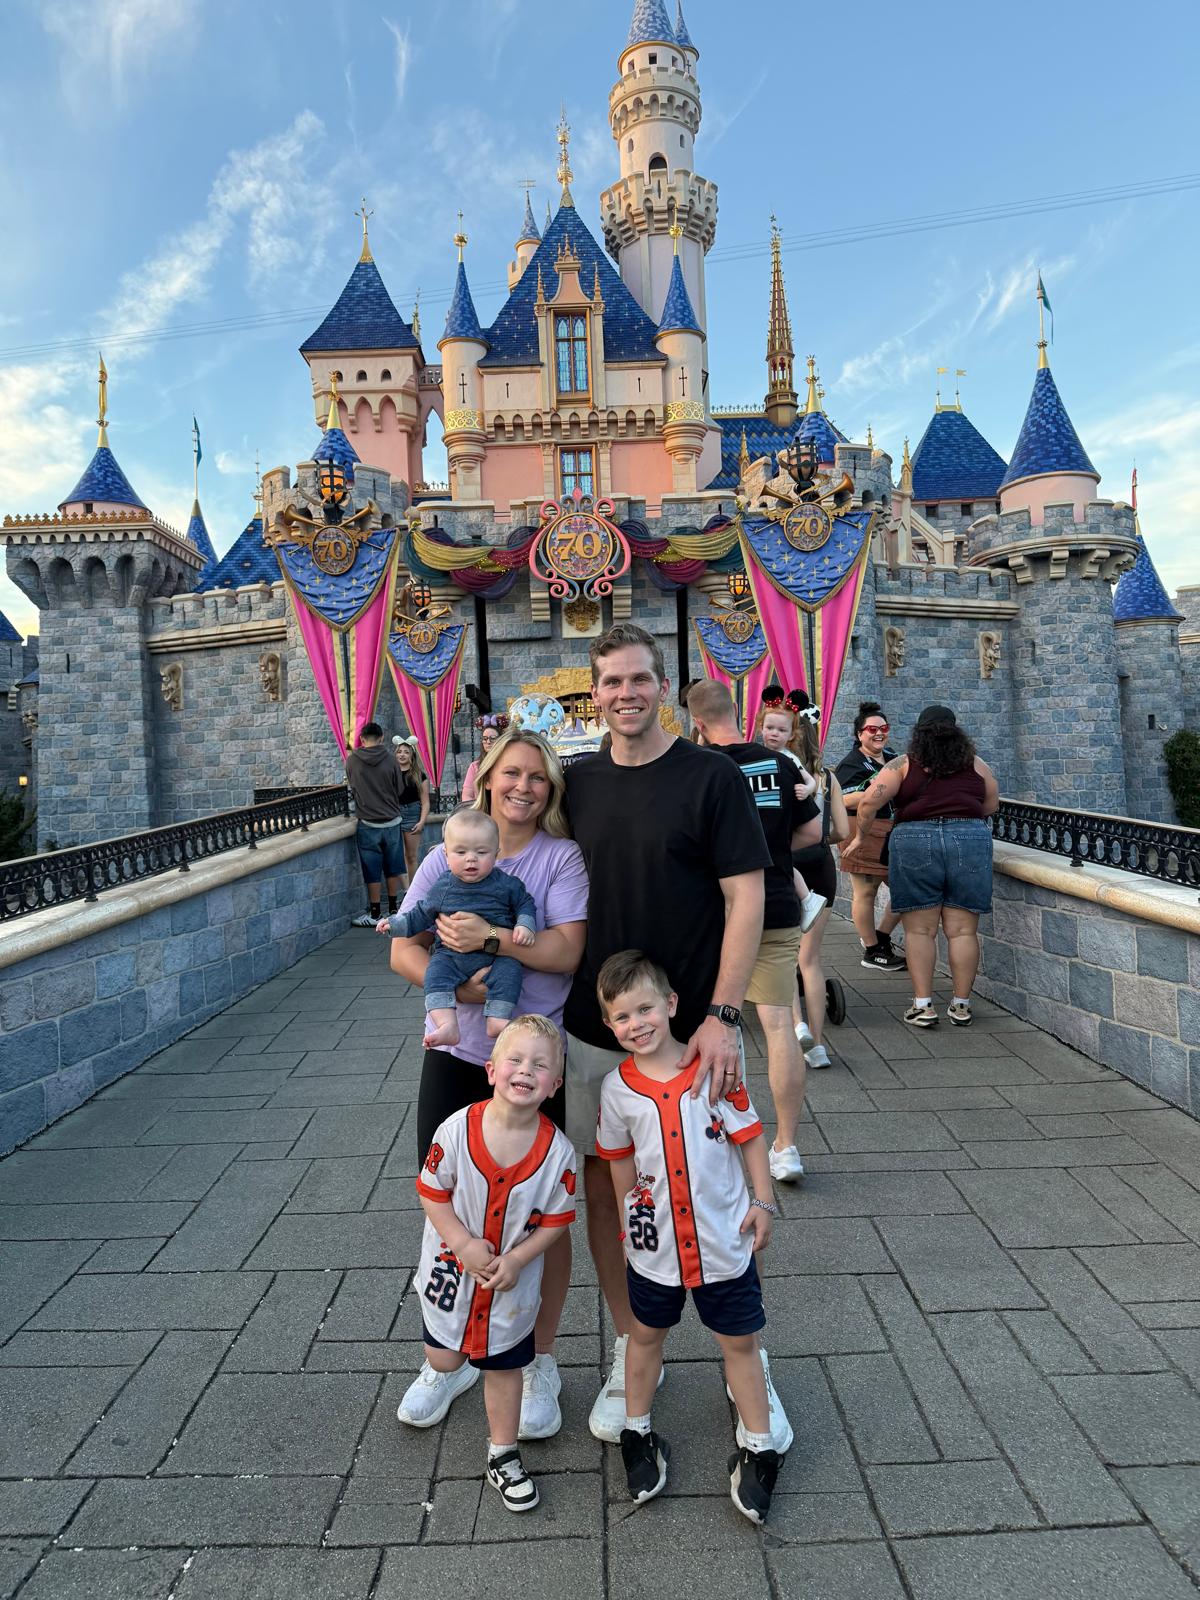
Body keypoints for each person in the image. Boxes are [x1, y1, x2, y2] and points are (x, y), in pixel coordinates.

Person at [562, 623, 790, 1453]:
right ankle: (634, 1346)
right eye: (611, 682)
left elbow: (746, 897)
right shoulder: (576, 783)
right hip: (595, 1030)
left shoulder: (709, 777)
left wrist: (723, 1015)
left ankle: (746, 1359)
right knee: (609, 1191)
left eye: (639, 679)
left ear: (663, 686)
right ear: (595, 693)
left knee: (720, 1185)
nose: (625, 694)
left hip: (694, 1030)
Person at [389, 729, 587, 1439]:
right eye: (512, 773)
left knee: (541, 1213)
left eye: (537, 776)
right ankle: (447, 1358)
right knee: (446, 1203)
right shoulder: (445, 854)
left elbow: (565, 950)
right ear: (487, 778)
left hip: (531, 1063)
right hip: (460, 1053)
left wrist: (488, 940)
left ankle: (535, 1360)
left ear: (550, 788)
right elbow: (403, 950)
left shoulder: (559, 857)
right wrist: (465, 994)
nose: (523, 787)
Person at [595, 951, 784, 1525]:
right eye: (622, 1016)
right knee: (644, 1336)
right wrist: (628, 1221)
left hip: (722, 1242)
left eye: (645, 1009)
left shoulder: (714, 1068)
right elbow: (619, 1160)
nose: (637, 1024)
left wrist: (762, 1200)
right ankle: (637, 1432)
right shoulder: (616, 1089)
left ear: (672, 1004)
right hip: (655, 1249)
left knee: (740, 1343)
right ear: (608, 1024)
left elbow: (752, 1136)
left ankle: (759, 1445)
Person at [407, 1014, 576, 1513]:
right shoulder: (455, 1129)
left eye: (540, 1065)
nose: (526, 1070)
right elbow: (432, 1192)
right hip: (451, 1274)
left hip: (509, 1288)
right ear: (490, 1070)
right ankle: (451, 1371)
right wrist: (461, 1242)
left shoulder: (558, 1153)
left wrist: (520, 1257)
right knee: (443, 1356)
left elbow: (556, 1220)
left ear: (555, 1085)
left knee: (506, 1366)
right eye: (515, 1059)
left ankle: (502, 1453)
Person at [686, 678, 822, 1182]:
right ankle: (786, 1147)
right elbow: (813, 831)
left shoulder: (695, 766)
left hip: (712, 911)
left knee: (704, 1021)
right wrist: (769, 844)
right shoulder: (777, 763)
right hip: (774, 903)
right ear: (737, 712)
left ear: (697, 723)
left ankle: (710, 1135)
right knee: (779, 1024)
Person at [850, 704, 999, 1029]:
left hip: (915, 839)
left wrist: (861, 836)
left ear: (919, 733)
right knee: (963, 931)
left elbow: (869, 802)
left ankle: (923, 1006)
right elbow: (991, 804)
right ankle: (961, 1006)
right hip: (969, 838)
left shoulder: (903, 764)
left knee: (920, 930)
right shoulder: (976, 763)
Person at [378, 809, 537, 1046]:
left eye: (481, 852)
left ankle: (498, 1018)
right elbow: (420, 915)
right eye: (461, 852)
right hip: (451, 956)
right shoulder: (443, 886)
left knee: (511, 971)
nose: (471, 859)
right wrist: (394, 925)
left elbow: (525, 903)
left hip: (496, 956)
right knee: (435, 974)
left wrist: (525, 924)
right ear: (446, 854)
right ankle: (447, 1024)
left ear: (496, 853)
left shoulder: (507, 884)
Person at [787, 690, 851, 1069]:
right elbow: (842, 831)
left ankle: (797, 1026)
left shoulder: (779, 770)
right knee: (810, 960)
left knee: (783, 956)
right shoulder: (828, 778)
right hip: (820, 866)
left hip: (786, 863)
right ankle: (819, 1045)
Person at [835, 702, 907, 971]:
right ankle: (872, 950)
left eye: (883, 728)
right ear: (859, 734)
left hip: (892, 830)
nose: (879, 733)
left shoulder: (893, 757)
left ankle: (882, 937)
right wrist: (879, 790)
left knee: (907, 888)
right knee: (866, 891)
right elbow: (843, 799)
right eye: (872, 729)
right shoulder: (851, 763)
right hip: (862, 830)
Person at [345, 721, 410, 929]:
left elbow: (352, 785)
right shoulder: (391, 760)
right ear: (381, 738)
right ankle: (393, 909)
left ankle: (374, 913)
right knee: (393, 866)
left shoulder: (352, 760)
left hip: (367, 822)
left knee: (371, 869)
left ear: (362, 740)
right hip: (392, 822)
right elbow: (400, 789)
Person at [394, 739, 430, 884]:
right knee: (396, 856)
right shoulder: (391, 773)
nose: (402, 755)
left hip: (412, 814)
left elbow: (425, 802)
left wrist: (421, 822)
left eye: (406, 752)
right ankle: (405, 889)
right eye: (399, 752)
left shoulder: (419, 775)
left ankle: (413, 889)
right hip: (394, 814)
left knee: (411, 856)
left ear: (412, 756)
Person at [462, 718, 503, 803]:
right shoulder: (475, 766)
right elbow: (467, 795)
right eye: (485, 738)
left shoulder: (507, 764)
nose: (488, 742)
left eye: (492, 738)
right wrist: (475, 809)